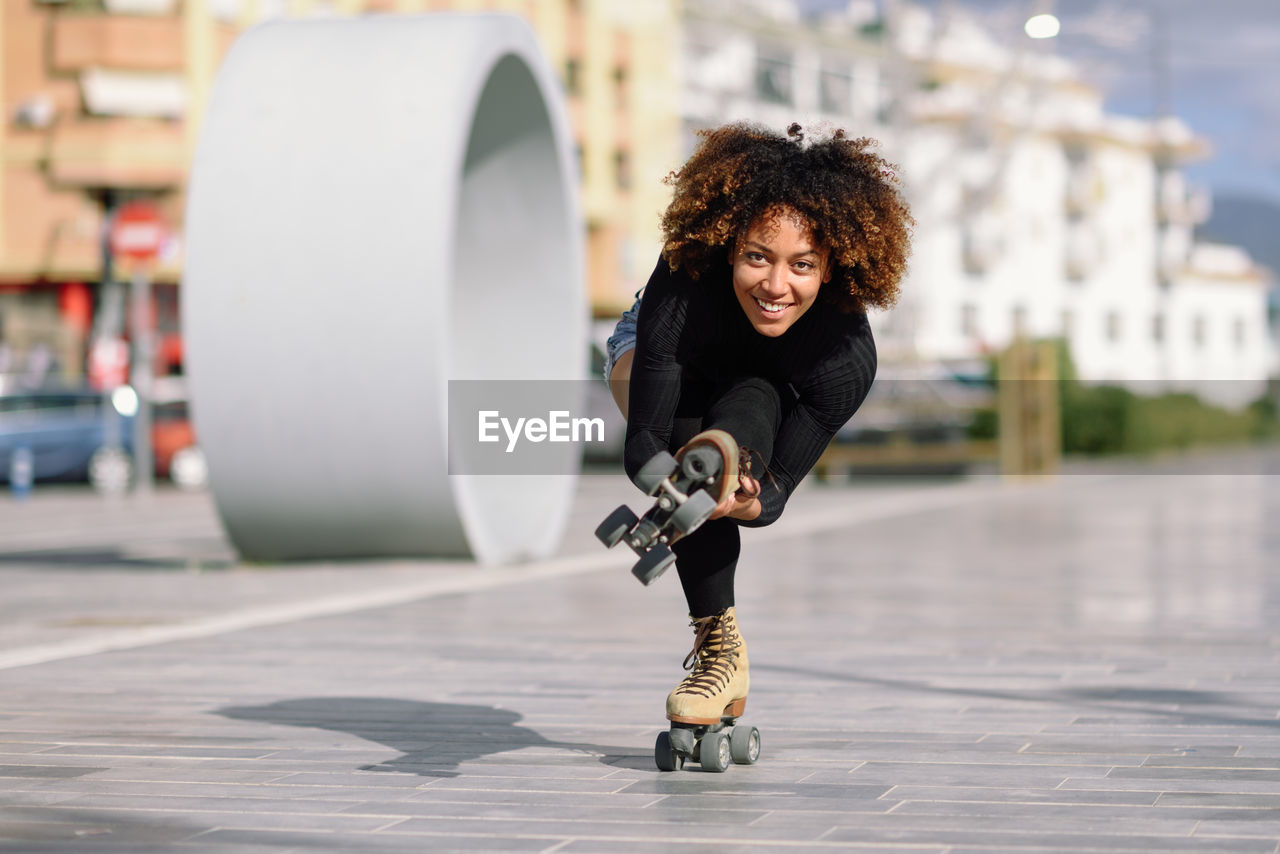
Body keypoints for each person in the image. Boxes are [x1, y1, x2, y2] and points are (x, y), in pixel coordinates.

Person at [603, 121, 913, 730]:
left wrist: (738, 496)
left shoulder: (843, 360)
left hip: (764, 394)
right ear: (727, 247)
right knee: (684, 432)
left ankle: (721, 468)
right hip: (665, 354)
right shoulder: (684, 283)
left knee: (751, 401)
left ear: (831, 268)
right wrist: (675, 485)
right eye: (756, 257)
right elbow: (642, 444)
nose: (776, 286)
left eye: (803, 265)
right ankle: (719, 650)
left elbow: (773, 500)